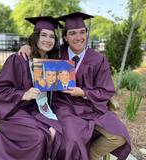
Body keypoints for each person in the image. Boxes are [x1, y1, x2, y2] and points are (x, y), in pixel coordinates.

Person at [18, 12, 131, 160]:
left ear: (86, 33)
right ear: (65, 37)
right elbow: (39, 49)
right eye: (72, 33)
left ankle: (89, 156)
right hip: (65, 107)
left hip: (92, 106)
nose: (78, 37)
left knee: (119, 135)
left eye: (82, 32)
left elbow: (106, 90)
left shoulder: (98, 59)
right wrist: (27, 46)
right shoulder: (56, 53)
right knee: (72, 140)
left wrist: (83, 92)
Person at [0, 16, 63, 160]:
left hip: (38, 110)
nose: (48, 40)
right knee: (38, 137)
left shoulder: (52, 63)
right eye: (43, 35)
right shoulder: (19, 59)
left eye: (52, 37)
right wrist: (24, 94)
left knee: (58, 131)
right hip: (16, 111)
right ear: (35, 36)